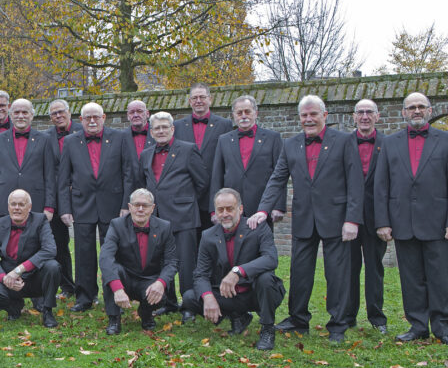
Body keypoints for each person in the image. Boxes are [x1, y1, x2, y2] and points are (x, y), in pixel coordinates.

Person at [256, 95, 362, 342]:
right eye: (304, 115)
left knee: (337, 273)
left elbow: (356, 182)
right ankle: (298, 319)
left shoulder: (345, 141)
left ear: (325, 115)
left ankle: (337, 325)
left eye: (313, 114)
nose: (309, 119)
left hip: (337, 219)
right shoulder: (291, 144)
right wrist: (263, 209)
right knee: (300, 271)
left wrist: (352, 219)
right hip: (304, 218)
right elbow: (277, 179)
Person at [375, 92, 448, 347]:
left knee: (439, 277)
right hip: (403, 223)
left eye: (421, 107)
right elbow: (381, 186)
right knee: (410, 277)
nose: (416, 111)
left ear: (429, 110)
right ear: (403, 112)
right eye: (411, 107)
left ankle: (441, 327)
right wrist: (382, 222)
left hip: (438, 224)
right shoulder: (390, 144)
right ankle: (417, 326)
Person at [57, 102, 138, 313]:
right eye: (87, 118)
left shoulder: (120, 138)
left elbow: (129, 174)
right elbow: (63, 178)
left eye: (96, 117)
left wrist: (125, 205)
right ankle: (85, 297)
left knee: (112, 253)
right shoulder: (70, 142)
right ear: (81, 120)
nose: (92, 121)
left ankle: (115, 296)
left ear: (104, 117)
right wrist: (65, 208)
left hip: (113, 206)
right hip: (82, 205)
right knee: (83, 253)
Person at [183, 188, 283, 351]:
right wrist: (208, 297)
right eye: (220, 210)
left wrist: (239, 271)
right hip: (229, 294)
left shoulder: (258, 228)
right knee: (190, 297)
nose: (225, 214)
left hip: (256, 292)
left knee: (265, 279)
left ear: (240, 209)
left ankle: (267, 329)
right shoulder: (208, 236)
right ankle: (237, 316)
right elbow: (200, 273)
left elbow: (271, 259)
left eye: (230, 208)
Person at [138, 112, 208, 322]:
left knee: (186, 263)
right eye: (156, 128)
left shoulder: (187, 149)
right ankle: (168, 302)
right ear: (151, 132)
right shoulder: (146, 154)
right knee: (161, 261)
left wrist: (184, 201)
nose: (160, 131)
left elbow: (202, 182)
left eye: (164, 127)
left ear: (172, 129)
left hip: (183, 216)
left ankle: (189, 305)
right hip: (157, 218)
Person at [99, 188, 178, 335]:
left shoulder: (164, 227)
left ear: (153, 208)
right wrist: (117, 288)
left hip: (149, 280)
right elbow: (105, 257)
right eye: (136, 205)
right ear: (129, 207)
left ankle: (146, 313)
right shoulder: (117, 225)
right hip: (125, 277)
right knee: (110, 272)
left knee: (161, 293)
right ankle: (114, 318)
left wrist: (161, 283)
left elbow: (171, 262)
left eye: (145, 205)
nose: (140, 209)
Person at [0, 189, 61, 327]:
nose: (17, 208)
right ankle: (13, 308)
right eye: (13, 204)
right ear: (8, 207)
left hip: (34, 275)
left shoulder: (40, 220)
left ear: (29, 207)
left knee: (53, 266)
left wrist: (19, 270)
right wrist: (5, 279)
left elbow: (50, 250)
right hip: (9, 277)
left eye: (21, 204)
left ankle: (47, 311)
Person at [344, 99, 388, 334]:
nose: (364, 116)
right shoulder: (342, 143)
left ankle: (377, 318)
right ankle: (349, 316)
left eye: (369, 112)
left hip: (376, 219)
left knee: (375, 269)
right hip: (348, 219)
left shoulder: (388, 144)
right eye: (360, 112)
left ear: (377, 116)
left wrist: (386, 221)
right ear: (353, 116)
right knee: (349, 270)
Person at [209, 96, 285, 226]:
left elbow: (280, 175)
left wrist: (278, 206)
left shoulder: (273, 138)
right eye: (239, 113)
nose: (243, 116)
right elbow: (217, 176)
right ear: (233, 115)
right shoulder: (224, 140)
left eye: (247, 111)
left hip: (261, 206)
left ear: (256, 113)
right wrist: (213, 210)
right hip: (230, 208)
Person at [173, 83, 232, 230]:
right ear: (189, 101)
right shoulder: (178, 126)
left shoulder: (224, 125)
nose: (198, 100)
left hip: (213, 193)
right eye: (195, 97)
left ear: (210, 99)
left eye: (202, 97)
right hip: (186, 194)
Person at [0, 98, 56, 219]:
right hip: (5, 204)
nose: (20, 116)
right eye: (16, 112)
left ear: (32, 116)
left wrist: (49, 207)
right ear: (11, 115)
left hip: (36, 204)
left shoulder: (45, 140)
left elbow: (50, 176)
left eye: (25, 112)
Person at [42, 98, 80, 297]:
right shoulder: (45, 137)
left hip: (83, 195)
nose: (58, 116)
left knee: (85, 245)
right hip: (56, 197)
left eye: (61, 111)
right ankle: (67, 286)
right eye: (54, 113)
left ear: (69, 112)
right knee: (59, 244)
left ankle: (86, 289)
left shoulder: (83, 131)